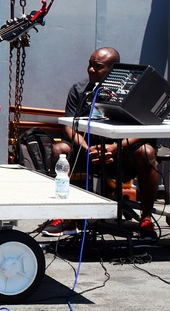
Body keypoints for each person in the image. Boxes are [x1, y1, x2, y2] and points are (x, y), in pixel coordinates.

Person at [41, 47, 160, 238]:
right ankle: (64, 216)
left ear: (114, 69)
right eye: (89, 65)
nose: (90, 70)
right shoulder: (79, 90)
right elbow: (69, 126)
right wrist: (87, 148)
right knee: (60, 149)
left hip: (123, 155)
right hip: (88, 153)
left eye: (97, 67)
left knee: (147, 152)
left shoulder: (134, 92)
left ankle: (146, 219)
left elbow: (147, 128)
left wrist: (115, 148)